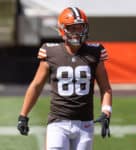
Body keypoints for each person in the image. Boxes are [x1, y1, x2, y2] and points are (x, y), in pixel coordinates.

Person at [17, 7, 112, 150]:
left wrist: (106, 111)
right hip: (58, 122)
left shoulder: (95, 52)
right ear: (62, 29)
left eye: (80, 28)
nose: (76, 32)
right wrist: (23, 115)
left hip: (85, 123)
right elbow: (36, 86)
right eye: (72, 28)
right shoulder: (50, 52)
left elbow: (105, 88)